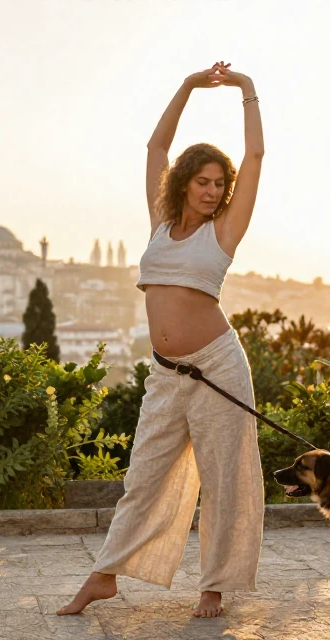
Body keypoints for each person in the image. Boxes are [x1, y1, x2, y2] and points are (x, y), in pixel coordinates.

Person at [57, 61, 265, 619]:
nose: (212, 191)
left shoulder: (225, 230)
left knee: (223, 482)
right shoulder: (160, 223)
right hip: (166, 373)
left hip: (218, 368)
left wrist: (247, 90)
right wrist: (188, 85)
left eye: (219, 184)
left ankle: (213, 586)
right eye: (203, 182)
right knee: (143, 477)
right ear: (184, 183)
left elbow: (255, 157)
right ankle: (105, 576)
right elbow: (156, 147)